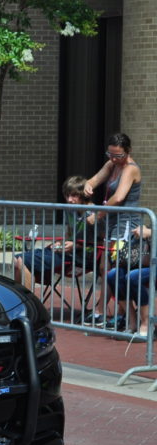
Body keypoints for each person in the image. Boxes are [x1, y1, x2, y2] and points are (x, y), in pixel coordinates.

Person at [83, 132, 143, 329]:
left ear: (128, 152)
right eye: (110, 154)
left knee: (115, 269)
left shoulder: (130, 169)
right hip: (112, 222)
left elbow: (118, 198)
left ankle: (120, 313)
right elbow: (93, 180)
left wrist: (98, 214)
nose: (114, 159)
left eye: (118, 155)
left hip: (126, 223)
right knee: (105, 268)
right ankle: (105, 311)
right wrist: (88, 187)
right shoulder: (112, 165)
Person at [13, 175, 97, 291]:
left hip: (80, 257)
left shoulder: (95, 213)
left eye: (74, 195)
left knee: (24, 261)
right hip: (65, 252)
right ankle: (23, 301)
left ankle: (29, 304)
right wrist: (61, 243)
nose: (69, 200)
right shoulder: (70, 209)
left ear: (83, 195)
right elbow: (69, 233)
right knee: (16, 260)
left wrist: (75, 246)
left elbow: (100, 243)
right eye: (67, 195)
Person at [105, 224, 152, 340]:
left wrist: (151, 232)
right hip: (147, 262)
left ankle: (146, 323)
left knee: (133, 276)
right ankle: (132, 322)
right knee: (113, 274)